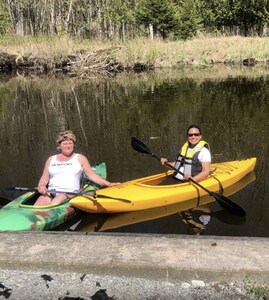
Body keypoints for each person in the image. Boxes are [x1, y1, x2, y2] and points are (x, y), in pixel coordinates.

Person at [34, 130, 121, 206]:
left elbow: (92, 175)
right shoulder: (51, 159)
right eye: (64, 143)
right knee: (39, 203)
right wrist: (41, 185)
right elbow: (44, 178)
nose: (68, 146)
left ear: (74, 144)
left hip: (70, 192)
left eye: (70, 143)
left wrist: (108, 184)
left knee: (57, 200)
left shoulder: (80, 158)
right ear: (59, 146)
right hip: (51, 191)